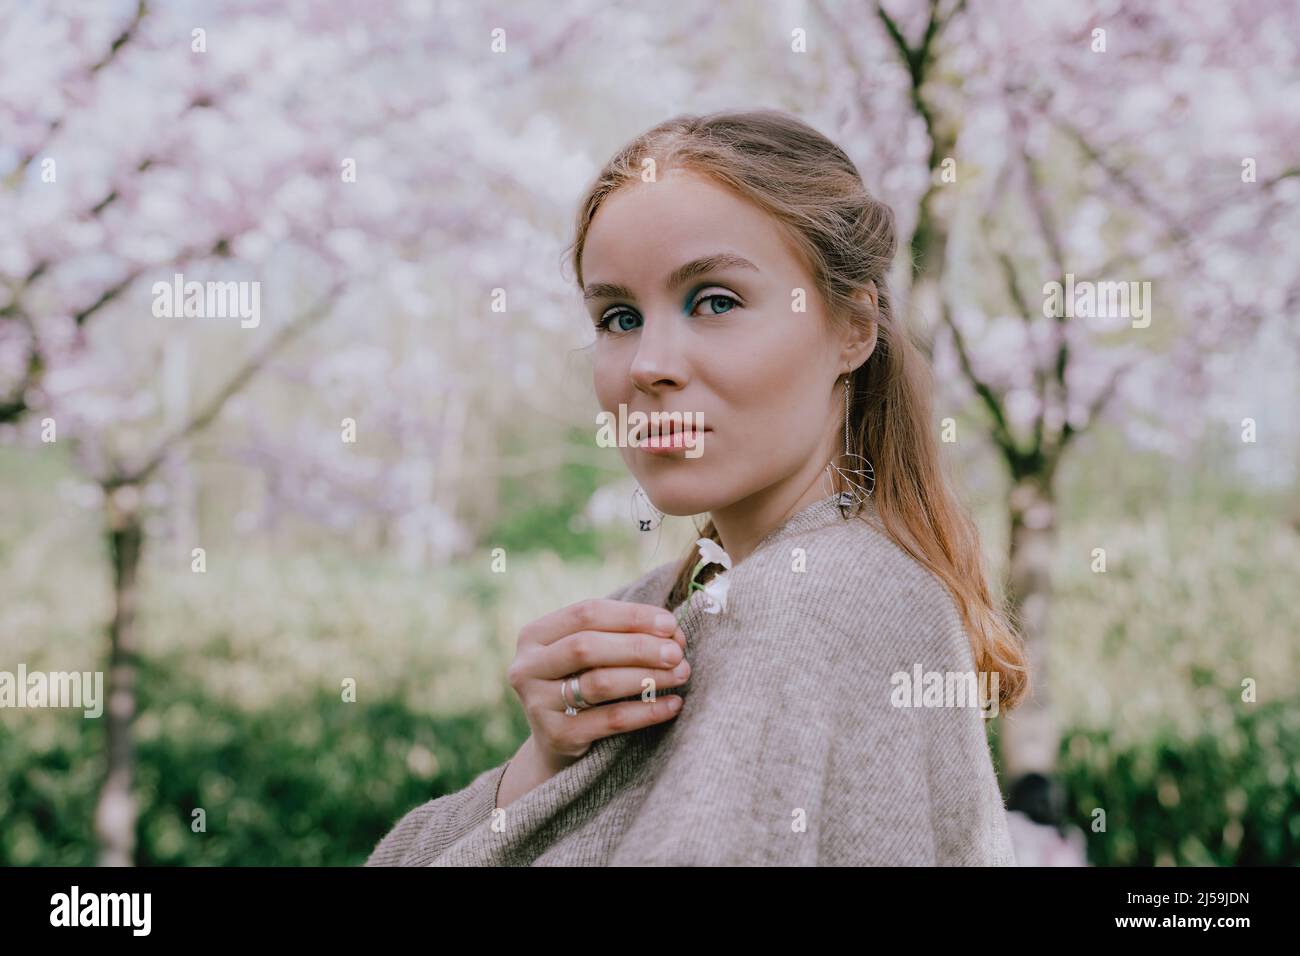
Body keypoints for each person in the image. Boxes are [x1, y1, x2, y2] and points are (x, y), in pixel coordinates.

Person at [367, 109, 1029, 866]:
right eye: (617, 316)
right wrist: (543, 766)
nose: (649, 363)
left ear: (853, 327)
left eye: (714, 301)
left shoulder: (812, 604)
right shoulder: (672, 603)